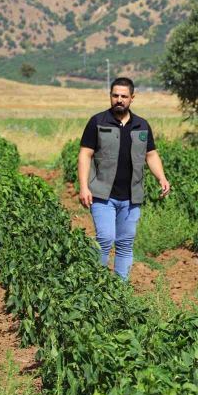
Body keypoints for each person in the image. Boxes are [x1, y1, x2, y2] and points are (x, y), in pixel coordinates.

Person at [77, 77, 170, 280]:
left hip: (131, 196)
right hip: (102, 194)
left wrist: (161, 177)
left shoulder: (141, 125)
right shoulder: (98, 122)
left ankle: (120, 290)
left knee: (125, 243)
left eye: (124, 96)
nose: (119, 100)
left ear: (132, 98)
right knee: (105, 239)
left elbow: (151, 154)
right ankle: (97, 284)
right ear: (110, 96)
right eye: (115, 95)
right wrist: (84, 187)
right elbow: (85, 154)